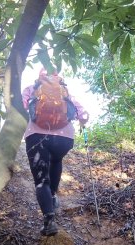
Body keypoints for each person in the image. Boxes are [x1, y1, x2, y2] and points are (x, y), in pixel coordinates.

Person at [22, 68, 89, 236]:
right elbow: (84, 114)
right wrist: (82, 123)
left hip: (36, 136)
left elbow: (22, 108)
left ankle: (49, 220)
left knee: (41, 180)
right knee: (56, 160)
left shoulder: (31, 89)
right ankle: (52, 195)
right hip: (64, 138)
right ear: (58, 77)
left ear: (40, 76)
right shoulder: (65, 92)